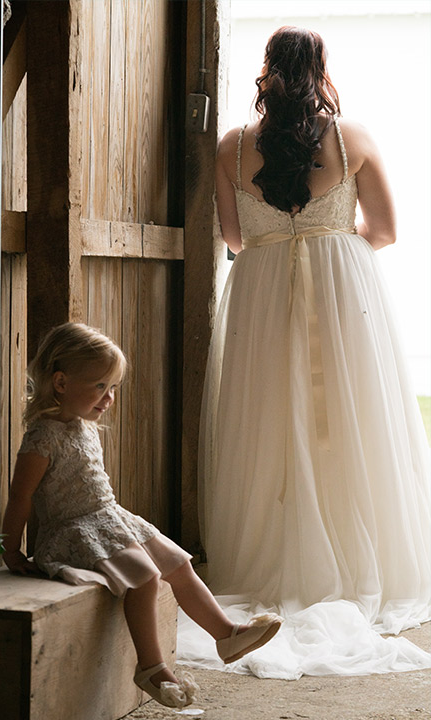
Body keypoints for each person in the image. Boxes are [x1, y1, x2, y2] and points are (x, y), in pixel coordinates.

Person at [180, 26, 431, 678]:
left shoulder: (233, 148)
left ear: (266, 71)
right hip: (341, 299)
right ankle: (350, 563)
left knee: (267, 424)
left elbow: (234, 236)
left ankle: (266, 558)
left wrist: (283, 248)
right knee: (349, 426)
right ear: (321, 69)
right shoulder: (352, 142)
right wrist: (326, 244)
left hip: (261, 296)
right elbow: (387, 231)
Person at [1, 322, 282, 708]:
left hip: (109, 517)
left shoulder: (82, 425)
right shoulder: (42, 436)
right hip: (74, 529)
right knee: (146, 578)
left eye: (113, 387)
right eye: (100, 386)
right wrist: (11, 551)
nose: (109, 397)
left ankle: (226, 633)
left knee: (178, 563)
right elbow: (21, 496)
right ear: (61, 383)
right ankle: (151, 667)